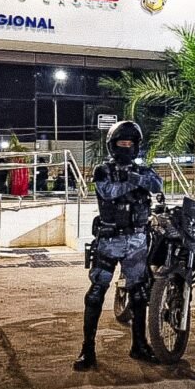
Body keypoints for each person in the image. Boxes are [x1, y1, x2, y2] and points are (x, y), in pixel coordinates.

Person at [73, 121, 164, 371]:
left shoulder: (143, 169)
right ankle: (88, 349)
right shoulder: (103, 170)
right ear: (113, 145)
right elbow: (109, 192)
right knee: (95, 294)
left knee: (139, 294)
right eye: (122, 143)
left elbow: (157, 186)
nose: (126, 147)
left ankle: (140, 345)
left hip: (136, 240)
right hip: (109, 240)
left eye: (130, 143)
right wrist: (137, 181)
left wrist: (133, 177)